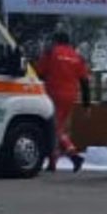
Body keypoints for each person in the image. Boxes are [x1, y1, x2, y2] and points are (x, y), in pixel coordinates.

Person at [35, 31, 90, 173]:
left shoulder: (51, 52)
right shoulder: (77, 57)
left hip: (53, 93)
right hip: (71, 95)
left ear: (56, 41)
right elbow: (84, 82)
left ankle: (73, 155)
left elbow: (39, 72)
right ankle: (53, 162)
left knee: (55, 128)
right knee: (59, 127)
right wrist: (86, 104)